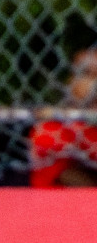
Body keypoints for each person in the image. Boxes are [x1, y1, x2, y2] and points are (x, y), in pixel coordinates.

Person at [30, 33, 97, 187]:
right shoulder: (52, 129)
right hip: (64, 208)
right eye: (86, 74)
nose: (94, 85)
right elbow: (70, 178)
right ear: (71, 81)